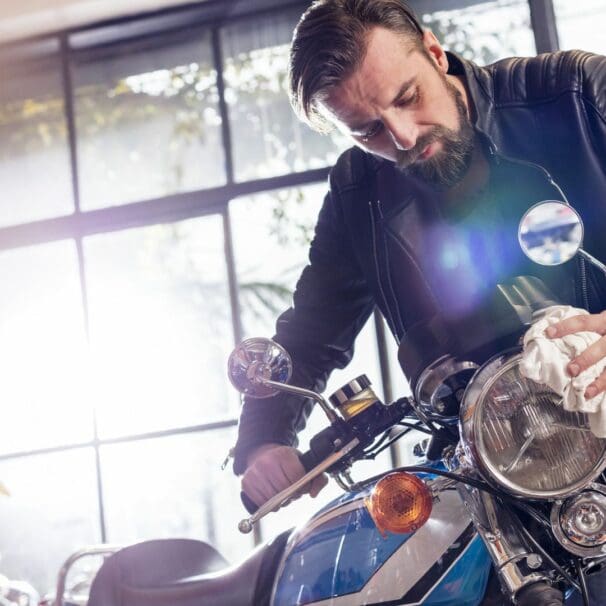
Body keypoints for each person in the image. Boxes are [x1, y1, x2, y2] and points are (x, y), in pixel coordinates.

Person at [232, 0, 606, 509]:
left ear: (434, 52)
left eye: (408, 97)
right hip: (505, 469)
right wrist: (264, 440)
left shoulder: (576, 95)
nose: (403, 136)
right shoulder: (356, 192)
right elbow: (312, 331)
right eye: (368, 131)